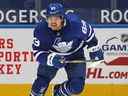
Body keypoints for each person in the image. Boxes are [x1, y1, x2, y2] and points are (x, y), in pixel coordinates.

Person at [30, 3, 104, 96]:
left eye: (56, 18)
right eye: (50, 18)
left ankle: (58, 92)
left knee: (77, 86)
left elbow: (90, 35)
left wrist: (95, 50)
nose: (53, 21)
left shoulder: (76, 24)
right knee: (41, 82)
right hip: (53, 54)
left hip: (75, 54)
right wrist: (51, 59)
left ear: (62, 18)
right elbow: (37, 53)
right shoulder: (41, 29)